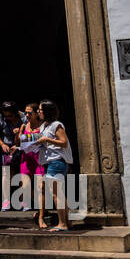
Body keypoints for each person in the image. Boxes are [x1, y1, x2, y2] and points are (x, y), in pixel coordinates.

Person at [36, 99, 74, 232]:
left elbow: (64, 142)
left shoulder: (56, 125)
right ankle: (67, 222)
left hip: (57, 162)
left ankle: (62, 224)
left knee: (56, 194)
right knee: (59, 193)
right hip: (49, 162)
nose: (38, 112)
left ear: (46, 111)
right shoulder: (44, 126)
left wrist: (47, 139)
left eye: (40, 110)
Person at [16, 102, 47, 226]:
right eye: (26, 112)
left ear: (36, 114)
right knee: (26, 187)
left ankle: (41, 216)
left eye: (30, 113)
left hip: (38, 158)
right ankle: (42, 208)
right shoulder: (24, 126)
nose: (27, 115)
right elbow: (19, 144)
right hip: (26, 159)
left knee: (41, 188)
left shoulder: (43, 126)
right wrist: (17, 135)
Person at [0, 101, 20, 211]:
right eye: (5, 115)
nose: (8, 118)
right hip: (7, 147)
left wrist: (19, 133)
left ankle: (23, 199)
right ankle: (6, 200)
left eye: (10, 115)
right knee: (6, 174)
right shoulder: (1, 118)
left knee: (22, 174)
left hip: (21, 147)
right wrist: (2, 144)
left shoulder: (23, 117)